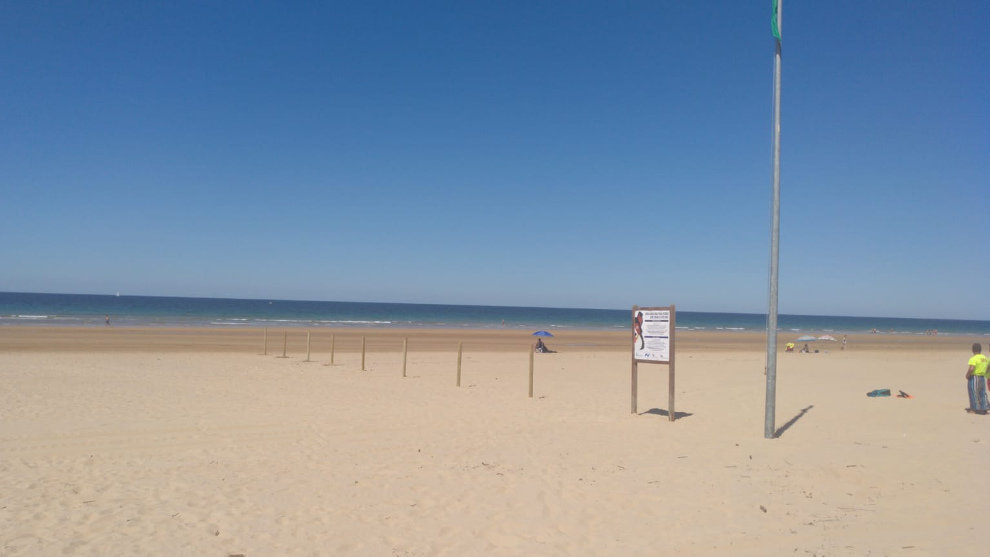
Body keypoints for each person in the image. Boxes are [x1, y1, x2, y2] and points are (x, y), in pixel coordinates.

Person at [965, 343, 988, 414]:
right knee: (982, 392)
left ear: (973, 350)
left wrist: (967, 375)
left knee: (973, 392)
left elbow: (971, 368)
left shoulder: (973, 358)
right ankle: (984, 407)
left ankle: (974, 409)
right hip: (982, 377)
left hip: (975, 377)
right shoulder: (985, 358)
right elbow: (988, 367)